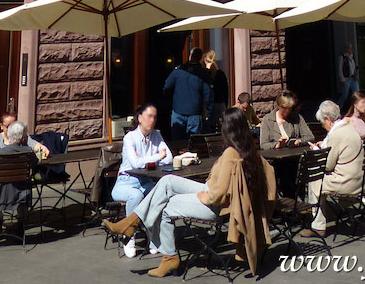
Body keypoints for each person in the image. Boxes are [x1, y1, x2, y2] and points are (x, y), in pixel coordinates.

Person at [103, 108, 277, 277]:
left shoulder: (231, 153)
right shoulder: (251, 151)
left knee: (165, 206)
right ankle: (131, 222)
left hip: (215, 204)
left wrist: (207, 196)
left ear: (228, 129)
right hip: (215, 194)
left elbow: (219, 193)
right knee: (167, 181)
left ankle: (168, 256)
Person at [111, 103, 173, 258]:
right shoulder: (130, 138)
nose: (152, 120)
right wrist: (158, 157)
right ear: (140, 118)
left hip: (145, 181)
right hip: (126, 181)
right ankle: (129, 237)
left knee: (158, 193)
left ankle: (153, 237)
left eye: (154, 117)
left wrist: (146, 160)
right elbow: (135, 164)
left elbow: (170, 157)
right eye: (149, 116)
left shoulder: (156, 135)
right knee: (136, 196)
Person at [301, 100, 364, 237]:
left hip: (347, 182)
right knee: (318, 179)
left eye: (322, 123)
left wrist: (317, 150)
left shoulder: (336, 134)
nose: (323, 126)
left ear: (328, 120)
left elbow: (327, 165)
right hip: (360, 179)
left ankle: (318, 226)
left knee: (314, 178)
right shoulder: (349, 128)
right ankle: (343, 209)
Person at [163, 47, 213, 140]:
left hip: (178, 111)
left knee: (177, 143)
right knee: (193, 143)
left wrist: (172, 102)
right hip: (195, 113)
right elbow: (208, 94)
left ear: (190, 56)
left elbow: (166, 87)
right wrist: (208, 113)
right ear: (201, 58)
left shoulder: (178, 71)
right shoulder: (202, 73)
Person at [203, 50, 229, 133]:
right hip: (220, 104)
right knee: (221, 130)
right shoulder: (221, 74)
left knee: (208, 130)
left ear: (205, 60)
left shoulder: (205, 74)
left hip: (207, 106)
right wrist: (225, 105)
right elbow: (226, 92)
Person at [337, 43, 359, 108]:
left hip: (353, 78)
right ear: (346, 49)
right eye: (350, 48)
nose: (351, 49)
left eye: (352, 48)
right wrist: (342, 78)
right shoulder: (342, 57)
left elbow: (354, 67)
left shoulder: (352, 56)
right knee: (345, 95)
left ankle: (357, 108)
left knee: (356, 94)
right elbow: (340, 68)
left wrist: (356, 75)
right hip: (346, 78)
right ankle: (338, 107)